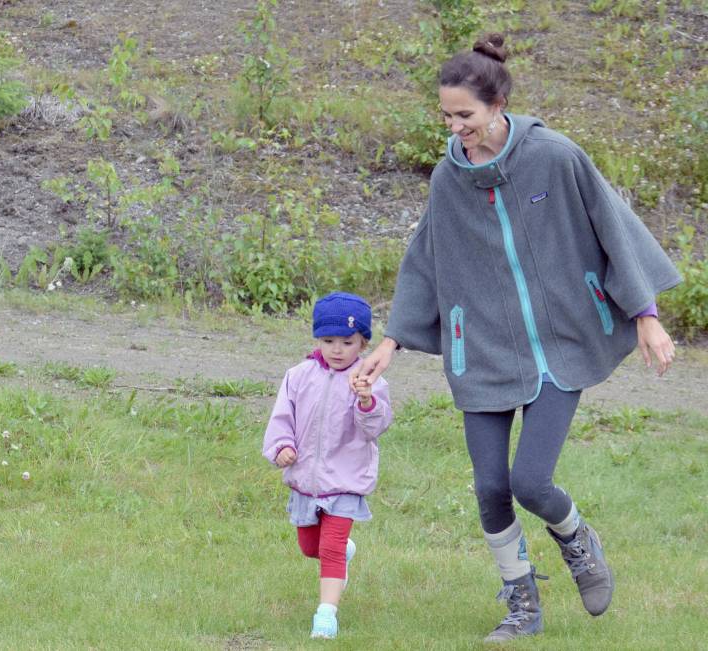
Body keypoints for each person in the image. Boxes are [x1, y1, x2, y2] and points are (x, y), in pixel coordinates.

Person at [349, 34, 680, 643]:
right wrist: (390, 343)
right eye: (446, 116)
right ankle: (523, 605)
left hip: (560, 348)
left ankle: (577, 539)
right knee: (490, 490)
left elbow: (613, 225)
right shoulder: (448, 179)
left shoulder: (554, 156)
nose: (455, 128)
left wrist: (646, 313)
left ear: (498, 105)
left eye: (465, 115)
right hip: (482, 351)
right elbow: (424, 260)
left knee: (530, 482)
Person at [262, 292, 394, 640]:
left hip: (346, 480)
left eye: (347, 342)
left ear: (363, 343)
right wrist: (282, 447)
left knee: (330, 547)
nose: (337, 350)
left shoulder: (370, 382)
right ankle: (343, 552)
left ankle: (326, 615)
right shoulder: (298, 375)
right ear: (317, 339)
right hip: (306, 479)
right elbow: (282, 418)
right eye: (328, 341)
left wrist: (366, 401)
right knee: (310, 547)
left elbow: (375, 428)